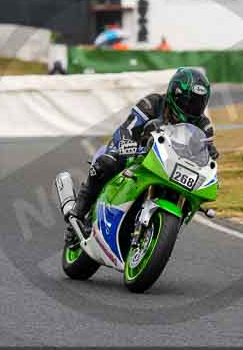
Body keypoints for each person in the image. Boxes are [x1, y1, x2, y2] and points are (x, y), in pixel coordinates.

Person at [65, 67, 219, 244]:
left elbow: (205, 153)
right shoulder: (152, 103)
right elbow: (127, 129)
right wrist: (125, 146)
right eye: (188, 102)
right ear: (174, 94)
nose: (192, 108)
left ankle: (159, 232)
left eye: (198, 103)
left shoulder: (203, 125)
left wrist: (211, 153)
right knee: (107, 163)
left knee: (190, 195)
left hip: (168, 166)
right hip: (136, 151)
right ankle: (78, 212)